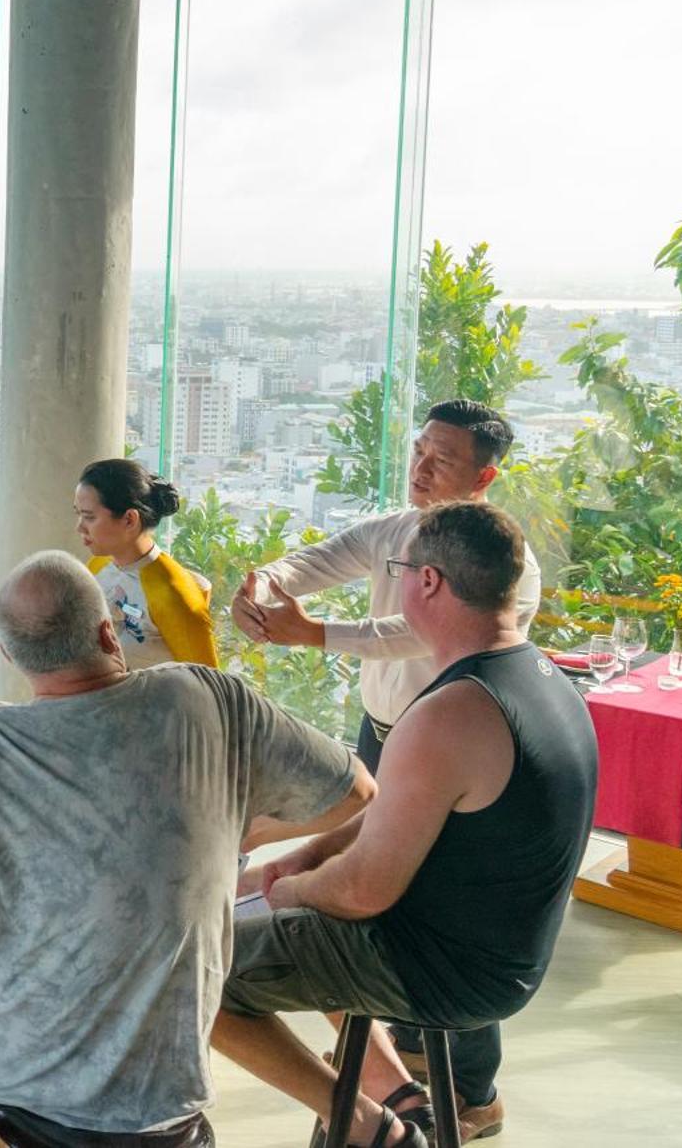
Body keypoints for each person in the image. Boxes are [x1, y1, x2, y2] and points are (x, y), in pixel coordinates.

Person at [0, 550, 374, 1148]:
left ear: (10, 658)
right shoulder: (212, 698)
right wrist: (237, 829)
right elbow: (356, 791)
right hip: (165, 1095)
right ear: (105, 631)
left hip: (19, 1080)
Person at [214, 502, 598, 1148]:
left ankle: (370, 1127)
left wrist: (293, 888)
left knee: (196, 966)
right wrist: (305, 859)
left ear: (427, 584)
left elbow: (363, 891)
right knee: (292, 913)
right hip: (509, 958)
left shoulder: (451, 711)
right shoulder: (548, 680)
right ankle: (397, 1093)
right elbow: (398, 807)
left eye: (401, 570)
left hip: (438, 969)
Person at [228, 398, 542, 1128]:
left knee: (439, 911)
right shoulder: (398, 528)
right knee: (387, 904)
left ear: (486, 475)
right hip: (385, 737)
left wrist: (312, 634)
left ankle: (473, 1092)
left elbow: (411, 633)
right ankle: (401, 1079)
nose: (422, 466)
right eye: (420, 448)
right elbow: (319, 558)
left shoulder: (503, 562)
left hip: (453, 755)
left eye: (444, 458)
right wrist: (266, 586)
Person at [74, 458, 218, 668]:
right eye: (78, 514)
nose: (80, 528)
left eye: (89, 517)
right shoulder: (97, 566)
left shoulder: (173, 593)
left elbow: (210, 684)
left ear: (130, 520)